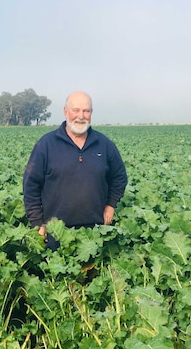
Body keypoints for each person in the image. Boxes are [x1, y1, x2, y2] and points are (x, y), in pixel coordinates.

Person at [22, 91, 128, 245]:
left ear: (91, 113)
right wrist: (37, 223)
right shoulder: (46, 145)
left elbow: (119, 177)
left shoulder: (104, 144)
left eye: (86, 111)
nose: (81, 116)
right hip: (56, 233)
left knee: (95, 268)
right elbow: (31, 186)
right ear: (66, 112)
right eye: (76, 110)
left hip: (95, 233)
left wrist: (111, 205)